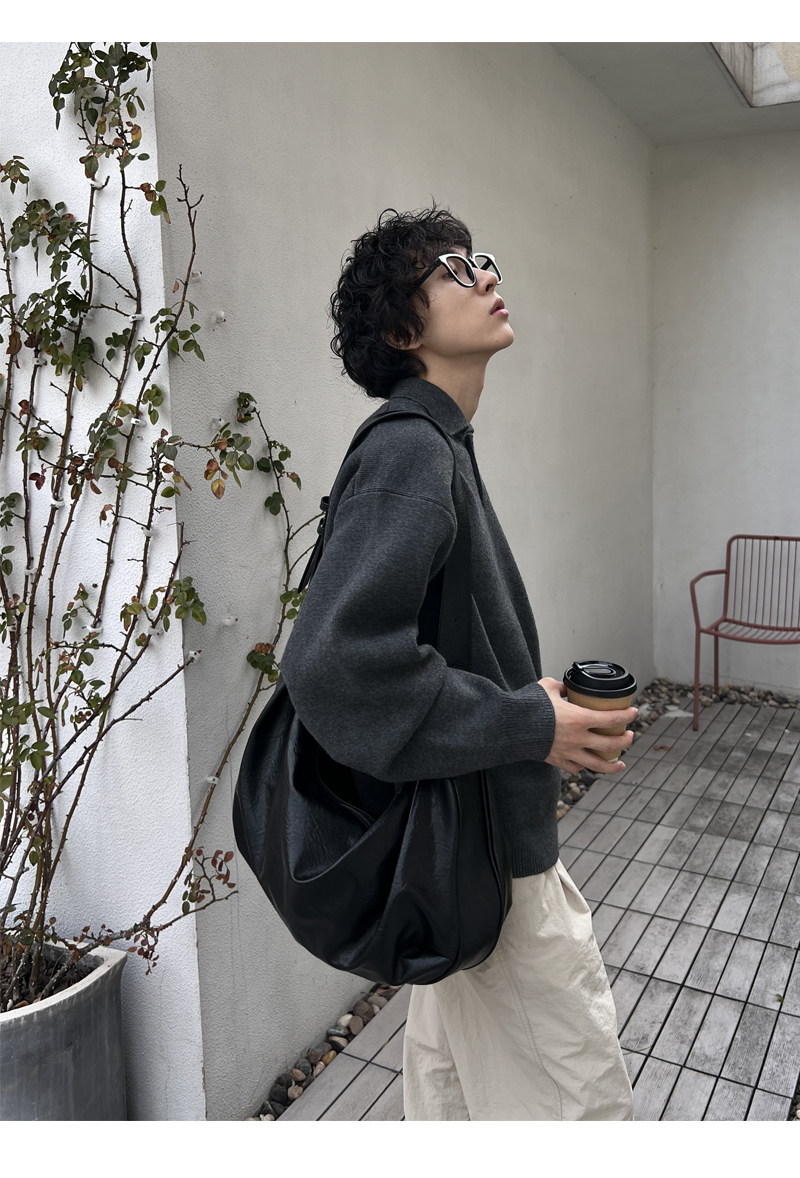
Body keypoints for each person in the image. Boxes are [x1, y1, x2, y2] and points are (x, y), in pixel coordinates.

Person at [280, 206, 635, 1121]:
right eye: (453, 268)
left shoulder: (437, 445)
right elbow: (333, 666)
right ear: (404, 331)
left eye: (482, 259)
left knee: (452, 1108)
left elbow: (429, 647)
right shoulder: (411, 450)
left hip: (462, 853)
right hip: (492, 866)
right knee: (581, 1115)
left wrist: (526, 699)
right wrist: (528, 722)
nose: (485, 276)